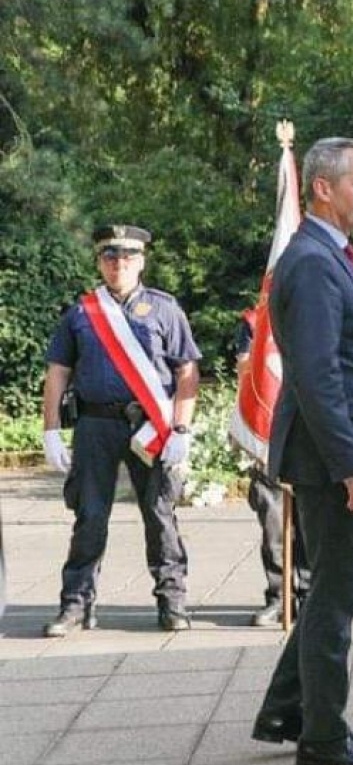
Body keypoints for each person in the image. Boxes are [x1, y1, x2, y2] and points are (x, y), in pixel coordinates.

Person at [249, 137, 353, 765]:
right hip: (333, 463)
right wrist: (351, 467)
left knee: (349, 580)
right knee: (337, 593)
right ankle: (324, 736)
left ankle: (288, 708)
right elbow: (315, 376)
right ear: (322, 189)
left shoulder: (327, 255)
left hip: (344, 456)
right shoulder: (312, 261)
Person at [40, 224, 200, 636]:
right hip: (95, 424)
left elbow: (186, 372)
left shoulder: (165, 310)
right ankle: (75, 605)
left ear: (142, 261)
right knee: (90, 515)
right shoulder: (81, 313)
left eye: (127, 258)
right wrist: (52, 430)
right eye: (110, 258)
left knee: (160, 515)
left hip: (152, 427)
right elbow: (58, 371)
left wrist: (182, 428)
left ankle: (172, 602)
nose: (119, 265)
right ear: (100, 262)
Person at [233, 316, 309, 627]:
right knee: (274, 527)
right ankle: (279, 597)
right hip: (268, 436)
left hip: (309, 433)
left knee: (311, 526)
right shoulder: (253, 324)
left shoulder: (319, 314)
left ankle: (310, 595)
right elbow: (245, 374)